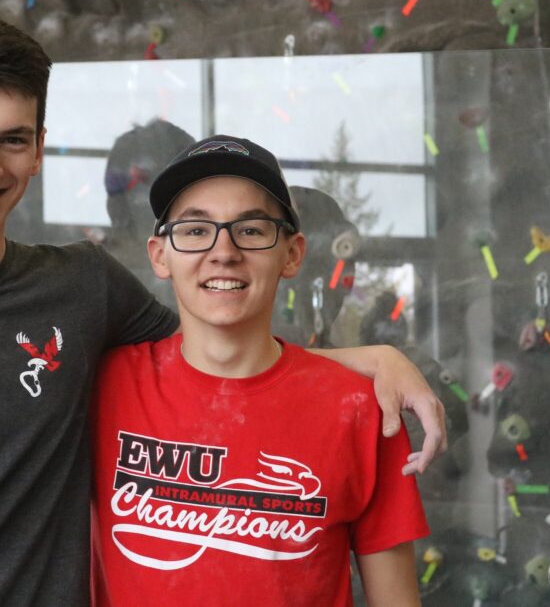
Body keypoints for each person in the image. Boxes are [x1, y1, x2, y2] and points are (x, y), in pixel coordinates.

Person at [0, 17, 445, 605]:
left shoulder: (82, 291)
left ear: (39, 151)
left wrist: (370, 358)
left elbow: (225, 347)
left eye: (13, 139)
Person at [91, 135, 429, 606]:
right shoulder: (98, 387)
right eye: (194, 230)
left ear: (292, 254)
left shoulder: (364, 410)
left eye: (250, 230)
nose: (223, 251)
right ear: (159, 255)